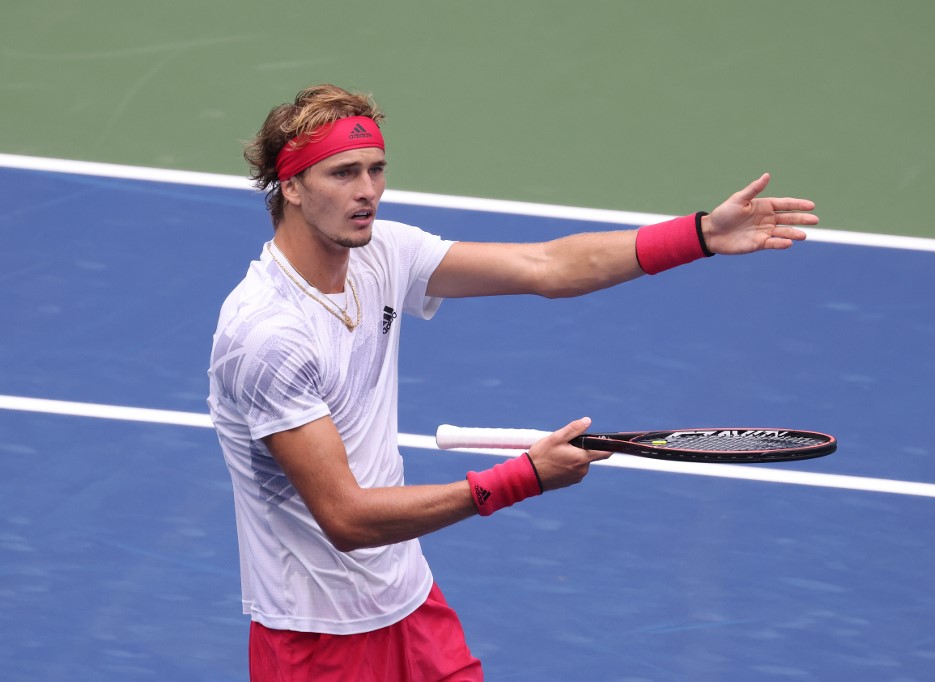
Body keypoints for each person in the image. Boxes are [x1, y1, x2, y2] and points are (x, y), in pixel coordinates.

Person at [208, 83, 818, 681]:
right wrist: (521, 478)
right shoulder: (267, 336)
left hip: (409, 604)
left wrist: (701, 235)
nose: (368, 192)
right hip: (316, 641)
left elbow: (546, 266)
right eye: (343, 173)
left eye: (376, 169)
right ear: (290, 186)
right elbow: (346, 519)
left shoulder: (381, 253)